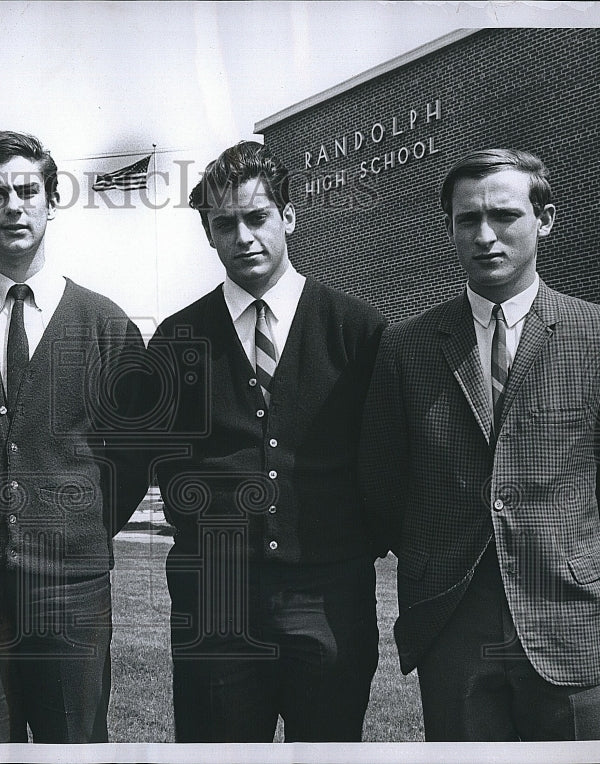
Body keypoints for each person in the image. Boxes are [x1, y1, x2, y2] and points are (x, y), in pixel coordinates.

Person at [359, 148, 600, 741]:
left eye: (503, 215)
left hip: (569, 614)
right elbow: (383, 484)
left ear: (544, 220)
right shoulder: (407, 347)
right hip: (452, 621)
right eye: (466, 219)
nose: (485, 235)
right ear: (449, 228)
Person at [141, 141, 386, 742]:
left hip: (329, 597)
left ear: (289, 216)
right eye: (225, 224)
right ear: (208, 233)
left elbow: (385, 460)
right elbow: (163, 464)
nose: (244, 237)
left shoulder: (358, 330)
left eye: (258, 217)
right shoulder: (178, 339)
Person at [0, 130, 147, 743]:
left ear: (52, 200)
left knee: (74, 746)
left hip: (72, 589)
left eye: (27, 190)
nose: (14, 206)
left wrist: (74, 527)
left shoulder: (104, 325)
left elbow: (131, 458)